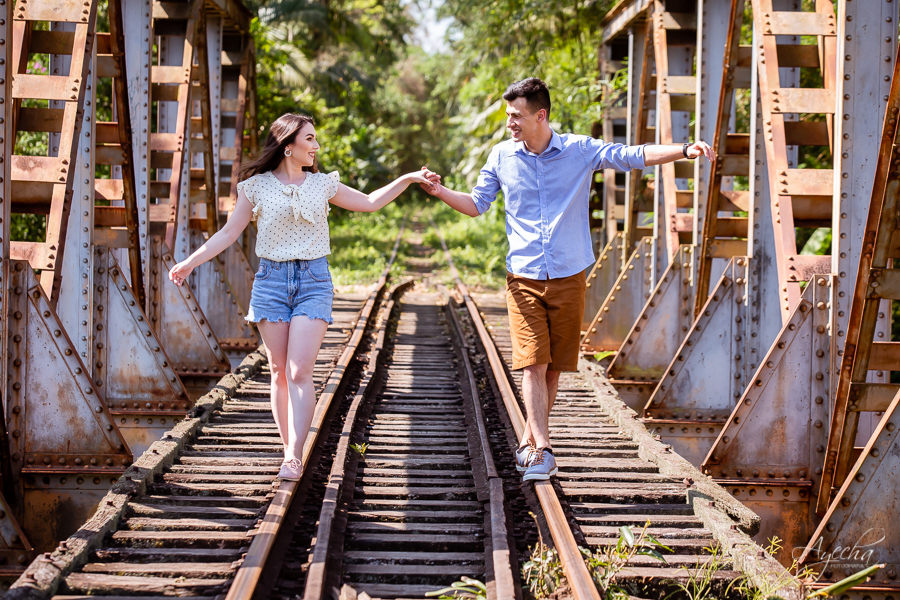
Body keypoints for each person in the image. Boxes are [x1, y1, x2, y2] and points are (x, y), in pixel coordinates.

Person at [420, 77, 715, 481]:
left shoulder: (579, 150)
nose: (510, 123)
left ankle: (529, 436)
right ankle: (542, 449)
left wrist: (683, 150)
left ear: (541, 115)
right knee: (532, 364)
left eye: (516, 116)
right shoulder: (503, 156)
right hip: (522, 274)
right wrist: (440, 192)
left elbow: (632, 155)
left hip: (569, 274)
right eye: (508, 116)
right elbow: (476, 204)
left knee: (553, 367)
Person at [169, 113, 432, 480]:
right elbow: (228, 234)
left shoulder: (322, 184)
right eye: (310, 139)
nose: (316, 146)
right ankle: (287, 447)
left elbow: (371, 202)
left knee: (299, 370)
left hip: (313, 280)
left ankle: (294, 453)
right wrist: (189, 263)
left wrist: (408, 178)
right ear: (288, 145)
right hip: (271, 282)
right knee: (278, 372)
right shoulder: (255, 187)